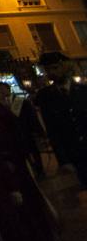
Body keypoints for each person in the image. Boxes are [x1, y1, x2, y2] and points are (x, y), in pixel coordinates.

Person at [35, 50, 87, 185]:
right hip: (75, 154)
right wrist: (63, 160)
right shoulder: (45, 96)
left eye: (55, 68)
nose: (52, 72)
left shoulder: (83, 90)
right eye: (48, 69)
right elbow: (52, 130)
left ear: (65, 67)